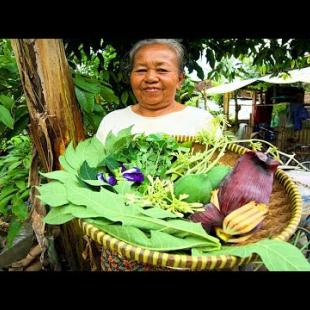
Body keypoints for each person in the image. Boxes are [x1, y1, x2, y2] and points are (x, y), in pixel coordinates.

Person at [96, 39, 218, 144]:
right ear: (130, 77)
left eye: (162, 70)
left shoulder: (201, 121)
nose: (150, 78)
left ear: (179, 80)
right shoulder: (112, 121)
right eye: (141, 70)